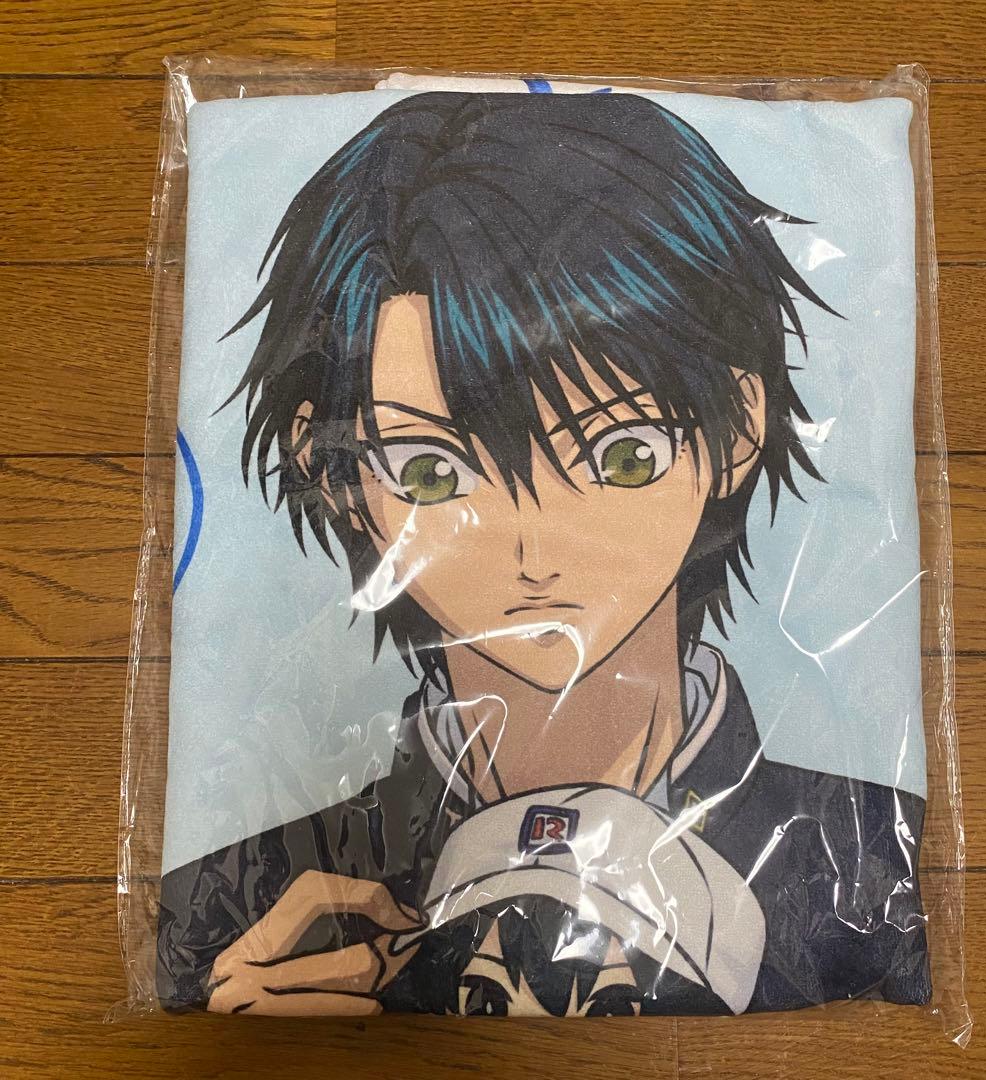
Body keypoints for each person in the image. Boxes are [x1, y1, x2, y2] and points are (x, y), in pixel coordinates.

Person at [158, 91, 930, 1016]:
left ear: (737, 428)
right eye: (433, 472)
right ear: (330, 468)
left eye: (621, 457)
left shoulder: (866, 858)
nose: (535, 550)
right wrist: (232, 1030)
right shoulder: (245, 902)